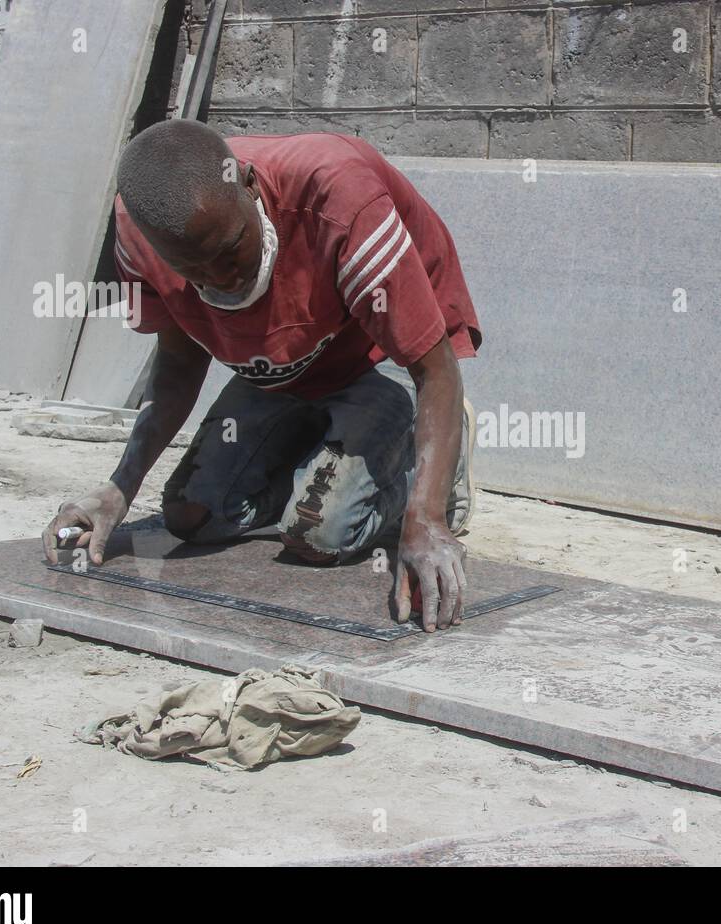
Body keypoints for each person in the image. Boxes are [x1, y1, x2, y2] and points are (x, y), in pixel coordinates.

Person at [41, 120, 481, 632]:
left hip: (379, 365)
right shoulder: (141, 230)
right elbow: (179, 363)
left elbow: (435, 369)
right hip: (277, 371)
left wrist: (426, 520)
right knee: (192, 516)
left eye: (231, 251)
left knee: (318, 536)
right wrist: (118, 489)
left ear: (250, 185)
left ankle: (423, 470)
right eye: (197, 271)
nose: (223, 279)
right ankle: (322, 456)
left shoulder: (338, 199)